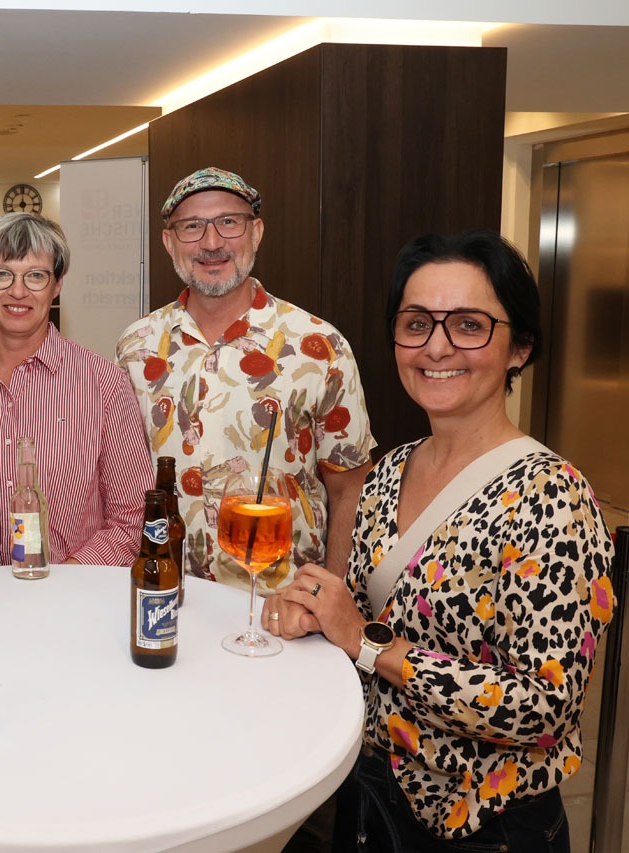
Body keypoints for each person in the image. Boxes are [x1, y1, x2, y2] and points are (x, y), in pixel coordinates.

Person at [265, 230, 616, 851]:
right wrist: (316, 617)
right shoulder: (390, 472)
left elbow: (544, 707)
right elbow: (364, 618)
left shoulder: (552, 497)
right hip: (370, 794)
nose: (436, 346)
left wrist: (366, 642)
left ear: (519, 348)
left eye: (469, 325)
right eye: (417, 323)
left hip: (483, 820)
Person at [116, 167, 374, 590]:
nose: (211, 242)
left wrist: (329, 593)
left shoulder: (319, 347)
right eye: (192, 226)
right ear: (168, 242)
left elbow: (350, 488)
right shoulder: (135, 348)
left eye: (229, 222)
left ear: (256, 232)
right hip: (166, 595)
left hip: (281, 604)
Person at [0, 212, 153, 566]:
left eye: (36, 275)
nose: (18, 291)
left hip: (75, 591)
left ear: (58, 284)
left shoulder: (103, 383)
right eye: (2, 273)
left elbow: (133, 516)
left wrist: (61, 582)